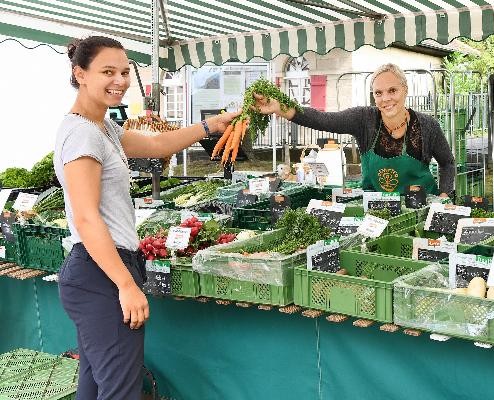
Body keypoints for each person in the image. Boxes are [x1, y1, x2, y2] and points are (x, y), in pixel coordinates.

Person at [55, 36, 238, 399]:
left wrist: (210, 125)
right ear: (80, 74)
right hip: (102, 272)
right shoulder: (81, 135)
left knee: (94, 386)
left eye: (124, 71)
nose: (119, 80)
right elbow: (88, 218)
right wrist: (125, 285)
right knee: (121, 391)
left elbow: (155, 145)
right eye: (108, 72)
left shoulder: (101, 127)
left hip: (97, 270)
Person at [253, 63, 455, 197]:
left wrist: (445, 194)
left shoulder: (427, 125)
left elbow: (447, 163)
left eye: (392, 91)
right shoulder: (364, 119)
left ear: (405, 90)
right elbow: (323, 120)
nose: (385, 99)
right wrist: (280, 108)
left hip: (420, 208)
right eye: (378, 93)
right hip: (377, 211)